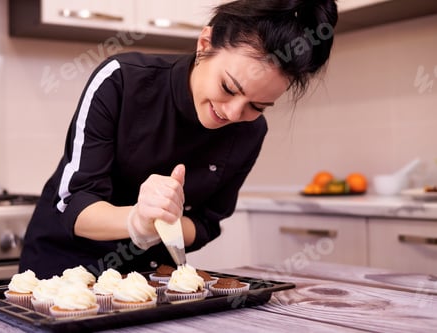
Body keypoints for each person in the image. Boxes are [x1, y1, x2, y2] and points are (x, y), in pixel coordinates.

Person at [19, 0, 338, 279]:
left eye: (257, 106)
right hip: (61, 276)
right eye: (228, 87)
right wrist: (136, 220)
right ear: (204, 45)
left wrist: (164, 224)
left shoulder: (251, 132)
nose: (232, 112)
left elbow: (205, 224)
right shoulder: (121, 79)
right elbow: (74, 202)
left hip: (148, 282)